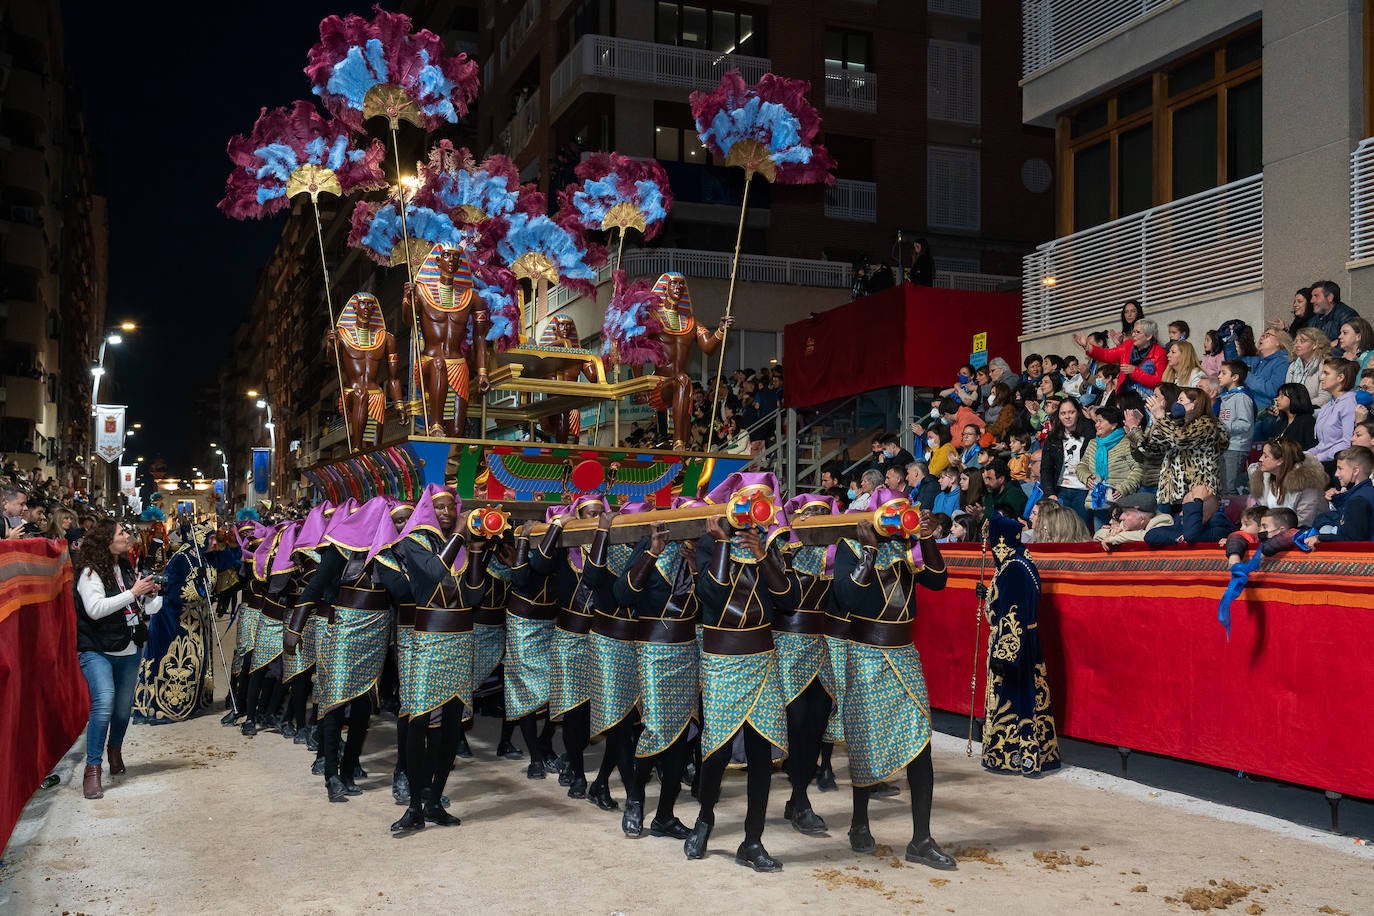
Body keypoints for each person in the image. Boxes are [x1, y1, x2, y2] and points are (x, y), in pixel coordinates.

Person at [831, 495, 955, 870]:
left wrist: (927, 537)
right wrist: (869, 552)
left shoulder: (906, 545)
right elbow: (848, 597)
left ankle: (921, 839)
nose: (900, 523)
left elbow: (938, 580)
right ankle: (858, 822)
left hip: (905, 654)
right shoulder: (848, 546)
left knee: (921, 743)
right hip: (865, 654)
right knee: (865, 741)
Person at [686, 475, 795, 873]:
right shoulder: (707, 540)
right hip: (722, 659)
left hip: (762, 659)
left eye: (761, 503)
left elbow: (788, 600)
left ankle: (753, 840)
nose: (754, 511)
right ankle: (705, 818)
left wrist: (765, 556)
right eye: (747, 502)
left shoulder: (770, 545)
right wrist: (721, 545)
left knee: (761, 754)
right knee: (715, 751)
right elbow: (711, 596)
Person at [614, 515, 700, 842]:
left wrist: (698, 566)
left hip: (687, 649)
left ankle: (665, 815)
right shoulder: (651, 545)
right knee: (656, 728)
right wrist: (652, 552)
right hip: (653, 649)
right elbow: (623, 593)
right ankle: (635, 800)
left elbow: (713, 600)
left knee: (682, 734)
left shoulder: (704, 550)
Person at [74, 519, 162, 799]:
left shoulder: (125, 566)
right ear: (106, 541)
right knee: (104, 703)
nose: (127, 536)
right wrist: (133, 593)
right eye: (121, 533)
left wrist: (149, 596)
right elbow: (95, 609)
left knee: (123, 709)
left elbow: (148, 608)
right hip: (97, 648)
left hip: (129, 646)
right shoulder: (90, 572)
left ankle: (115, 749)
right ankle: (92, 769)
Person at [979, 515, 1060, 776]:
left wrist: (1004, 653)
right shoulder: (1020, 562)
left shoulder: (1013, 569)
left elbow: (1012, 614)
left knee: (1014, 700)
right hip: (1026, 643)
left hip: (1014, 645)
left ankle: (1011, 756)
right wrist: (989, 596)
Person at [1143, 386, 1227, 509]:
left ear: (1194, 404)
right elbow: (1152, 449)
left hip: (1197, 491)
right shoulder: (1174, 422)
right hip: (1171, 492)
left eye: (1181, 400)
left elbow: (1181, 439)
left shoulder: (1206, 424)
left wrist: (1162, 418)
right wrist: (1155, 423)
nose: (1176, 404)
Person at [1076, 406, 1142, 530]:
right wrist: (1086, 477)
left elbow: (1138, 469)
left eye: (1100, 421)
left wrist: (1123, 488)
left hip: (1122, 503)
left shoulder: (1127, 443)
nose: (1097, 425)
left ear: (1113, 425)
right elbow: (1081, 466)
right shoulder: (1093, 443)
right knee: (1100, 538)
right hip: (1099, 501)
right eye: (1096, 421)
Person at [1248, 437, 1329, 527]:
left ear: (1280, 461)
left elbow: (1305, 521)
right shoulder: (1264, 480)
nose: (1260, 459)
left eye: (1265, 456)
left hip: (1301, 536)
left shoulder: (1306, 483)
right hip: (1273, 534)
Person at [1073, 319, 1166, 397]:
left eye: (1137, 332)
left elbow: (1159, 382)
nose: (1133, 335)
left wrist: (1135, 372)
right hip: (1123, 395)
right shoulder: (1128, 345)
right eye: (1133, 331)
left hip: (1146, 398)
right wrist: (1087, 346)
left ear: (1149, 336)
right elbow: (1107, 354)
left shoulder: (1160, 353)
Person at [1041, 398, 1094, 525]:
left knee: (1081, 529)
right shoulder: (1052, 438)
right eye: (1063, 413)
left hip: (1083, 489)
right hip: (1061, 489)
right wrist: (1050, 492)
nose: (1067, 417)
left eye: (1071, 412)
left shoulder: (1091, 433)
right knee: (1062, 530)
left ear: (1078, 413)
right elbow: (1046, 468)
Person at [1306, 446, 1374, 542]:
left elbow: (1352, 540)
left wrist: (1319, 539)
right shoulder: (1366, 493)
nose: (1336, 474)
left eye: (1340, 468)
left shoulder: (1357, 500)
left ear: (1355, 471)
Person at [1310, 358, 1359, 468]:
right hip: (1324, 462)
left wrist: (1319, 457)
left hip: (1339, 464)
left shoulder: (1349, 404)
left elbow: (1347, 443)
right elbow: (1323, 445)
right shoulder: (1328, 405)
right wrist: (1307, 454)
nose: (1321, 377)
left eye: (1326, 373)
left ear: (1340, 377)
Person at [1216, 360, 1255, 493]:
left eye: (1223, 373)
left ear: (1235, 377)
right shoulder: (1226, 398)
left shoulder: (1242, 397)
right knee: (1224, 487)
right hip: (1226, 446)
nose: (1219, 376)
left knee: (1231, 487)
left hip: (1236, 447)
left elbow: (1245, 424)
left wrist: (1223, 426)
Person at [1092, 492, 1174, 547]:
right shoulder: (1127, 524)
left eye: (1127, 514)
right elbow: (1098, 534)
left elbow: (1148, 536)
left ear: (1142, 518)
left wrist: (1115, 538)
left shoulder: (1163, 520)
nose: (1121, 517)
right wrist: (1111, 532)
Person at [1287, 327, 1333, 408]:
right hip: (1292, 410)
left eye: (1302, 341)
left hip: (1313, 411)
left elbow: (1325, 397)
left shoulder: (1324, 366)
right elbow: (1286, 393)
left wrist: (1299, 406)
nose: (1297, 345)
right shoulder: (1292, 366)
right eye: (1296, 341)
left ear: (1315, 344)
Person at [1305, 279, 1358, 344]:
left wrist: (1323, 348)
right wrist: (1331, 345)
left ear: (1330, 297)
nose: (1311, 301)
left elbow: (1346, 345)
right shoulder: (1313, 320)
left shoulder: (1347, 315)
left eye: (1316, 296)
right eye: (1312, 296)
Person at [1268, 382, 1317, 450]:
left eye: (1282, 396)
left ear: (1295, 398)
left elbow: (1310, 449)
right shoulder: (1281, 421)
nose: (1277, 399)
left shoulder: (1307, 422)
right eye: (1278, 395)